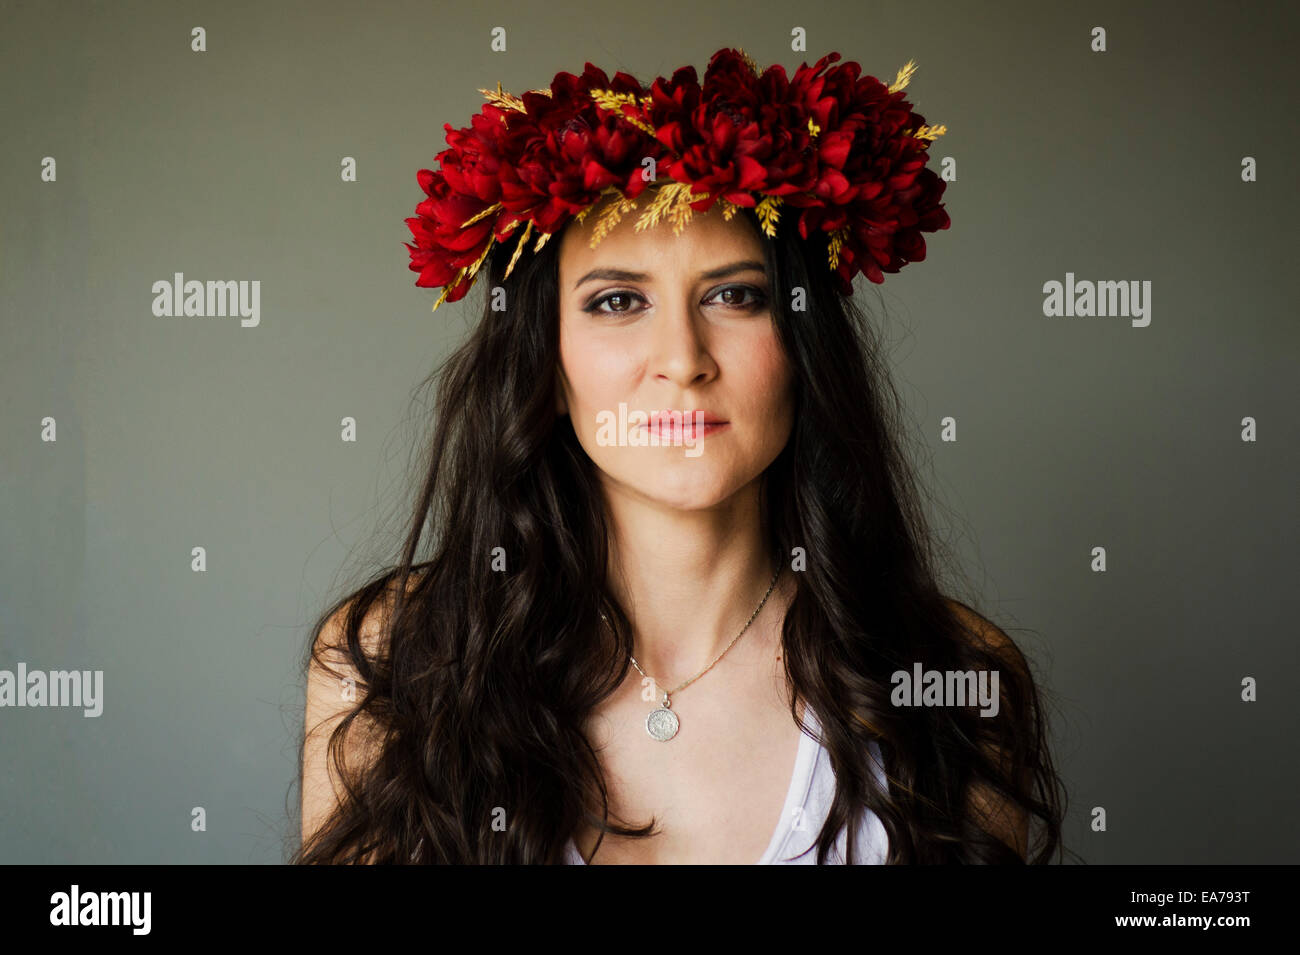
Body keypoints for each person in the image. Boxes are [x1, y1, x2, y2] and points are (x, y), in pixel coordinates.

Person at [294, 48, 1066, 864]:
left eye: (735, 295)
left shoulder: (953, 679)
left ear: (804, 347)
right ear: (547, 367)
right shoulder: (391, 662)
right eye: (618, 301)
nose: (683, 357)